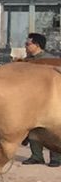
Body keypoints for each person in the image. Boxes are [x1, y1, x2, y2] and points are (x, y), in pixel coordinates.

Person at [25, 33, 57, 166]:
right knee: (33, 128)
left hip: (49, 99)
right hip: (32, 99)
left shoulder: (51, 60)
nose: (25, 47)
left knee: (52, 128)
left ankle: (56, 157)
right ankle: (36, 155)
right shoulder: (26, 61)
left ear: (37, 45)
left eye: (28, 44)